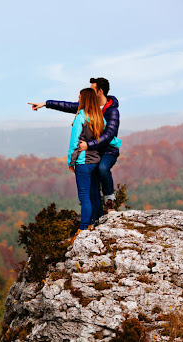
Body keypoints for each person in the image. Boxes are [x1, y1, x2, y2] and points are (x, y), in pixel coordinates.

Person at [29, 77, 120, 212]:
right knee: (92, 187)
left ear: (100, 92)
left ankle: (109, 200)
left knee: (102, 168)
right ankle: (96, 217)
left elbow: (108, 135)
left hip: (107, 149)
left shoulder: (112, 111)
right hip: (93, 151)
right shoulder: (89, 106)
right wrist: (45, 103)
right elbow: (67, 106)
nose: (89, 91)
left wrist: (88, 145)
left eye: (92, 89)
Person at [67, 88, 121, 236]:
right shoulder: (99, 117)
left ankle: (84, 228)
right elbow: (107, 136)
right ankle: (97, 222)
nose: (78, 100)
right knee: (95, 195)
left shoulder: (80, 117)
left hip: (83, 162)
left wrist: (71, 162)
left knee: (85, 197)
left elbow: (74, 143)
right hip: (96, 161)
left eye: (79, 98)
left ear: (84, 100)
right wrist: (117, 143)